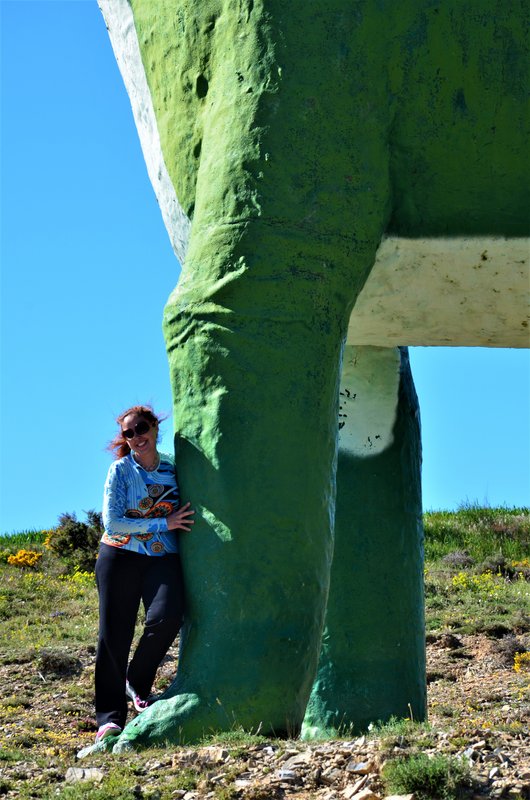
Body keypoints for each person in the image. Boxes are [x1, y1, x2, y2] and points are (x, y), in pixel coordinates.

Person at [94, 404, 194, 744]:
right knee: (114, 637)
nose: (136, 437)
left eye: (141, 429)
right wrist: (162, 523)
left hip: (161, 557)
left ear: (154, 427)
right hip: (119, 555)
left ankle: (137, 680)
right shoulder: (121, 471)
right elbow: (114, 522)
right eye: (129, 433)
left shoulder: (174, 469)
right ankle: (109, 719)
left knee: (167, 616)